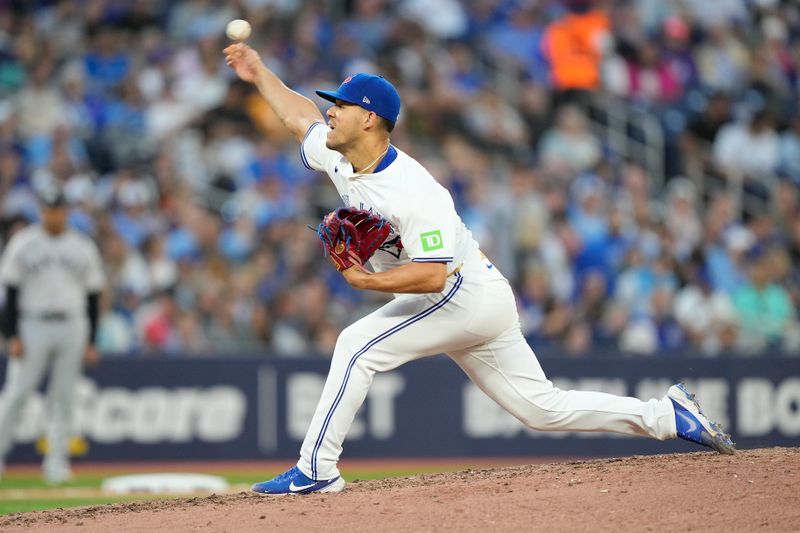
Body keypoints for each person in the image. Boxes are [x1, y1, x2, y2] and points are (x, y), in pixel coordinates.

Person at [223, 43, 735, 495]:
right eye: (332, 105)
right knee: (541, 409)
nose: (330, 113)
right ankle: (666, 416)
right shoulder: (339, 157)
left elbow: (432, 276)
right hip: (476, 294)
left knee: (356, 347)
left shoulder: (415, 192)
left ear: (371, 119)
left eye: (341, 106)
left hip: (460, 292)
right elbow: (298, 117)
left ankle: (317, 470)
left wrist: (365, 281)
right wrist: (260, 71)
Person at [0, 186, 105, 484]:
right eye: (48, 209)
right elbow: (10, 291)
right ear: (41, 211)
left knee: (65, 396)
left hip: (73, 323)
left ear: (66, 212)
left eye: (57, 209)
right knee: (17, 393)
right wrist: (12, 334)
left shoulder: (82, 246)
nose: (53, 214)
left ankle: (56, 463)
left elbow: (94, 296)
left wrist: (92, 340)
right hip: (32, 323)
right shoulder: (24, 243)